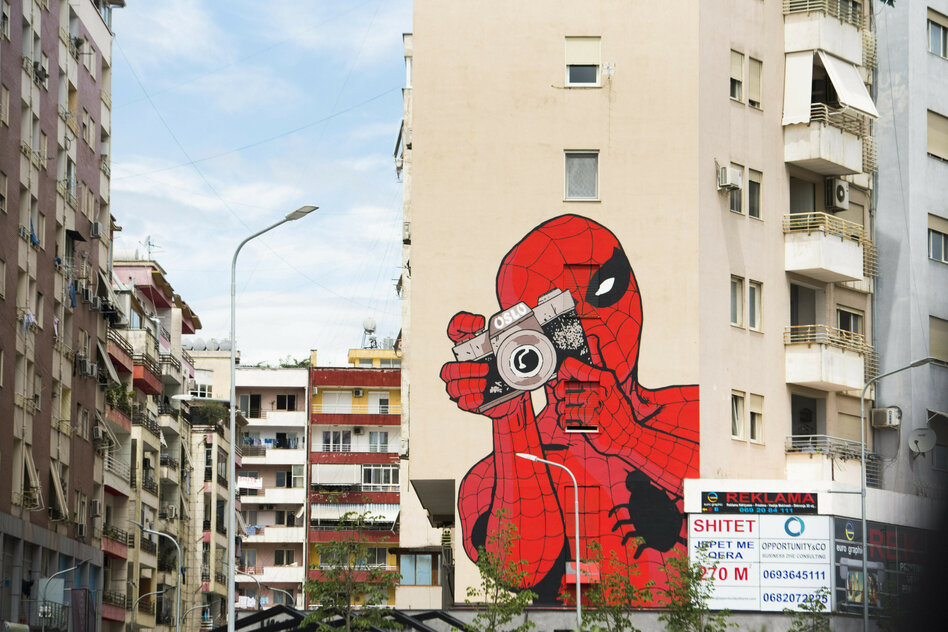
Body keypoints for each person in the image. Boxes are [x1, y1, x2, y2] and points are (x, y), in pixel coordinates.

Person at [441, 214, 699, 602]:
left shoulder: (695, 414)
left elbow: (747, 500)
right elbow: (519, 567)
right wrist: (509, 415)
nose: (589, 327)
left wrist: (631, 438)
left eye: (605, 289)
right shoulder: (493, 474)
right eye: (553, 320)